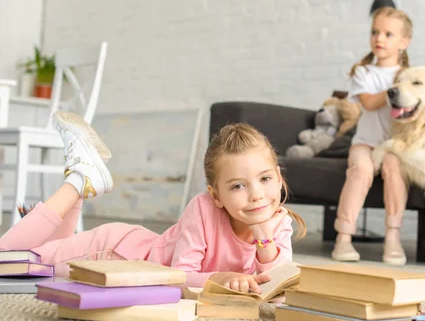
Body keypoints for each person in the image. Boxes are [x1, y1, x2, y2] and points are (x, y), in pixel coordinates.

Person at [0, 112, 306, 293]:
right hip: (115, 254)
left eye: (265, 179)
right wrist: (219, 278)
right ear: (216, 195)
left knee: (32, 261)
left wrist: (263, 235)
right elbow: (178, 275)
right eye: (238, 185)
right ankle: (79, 179)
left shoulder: (278, 222)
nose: (256, 194)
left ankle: (77, 193)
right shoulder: (202, 208)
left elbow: (275, 287)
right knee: (6, 261)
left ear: (279, 177)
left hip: (123, 266)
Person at [331, 6, 425, 264]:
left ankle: (392, 236)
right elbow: (370, 104)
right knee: (360, 171)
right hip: (366, 144)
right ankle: (344, 237)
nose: (379, 39)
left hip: (396, 146)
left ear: (404, 42)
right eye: (375, 32)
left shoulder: (411, 76)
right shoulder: (364, 73)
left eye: (388, 34)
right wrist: (398, 86)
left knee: (394, 170)